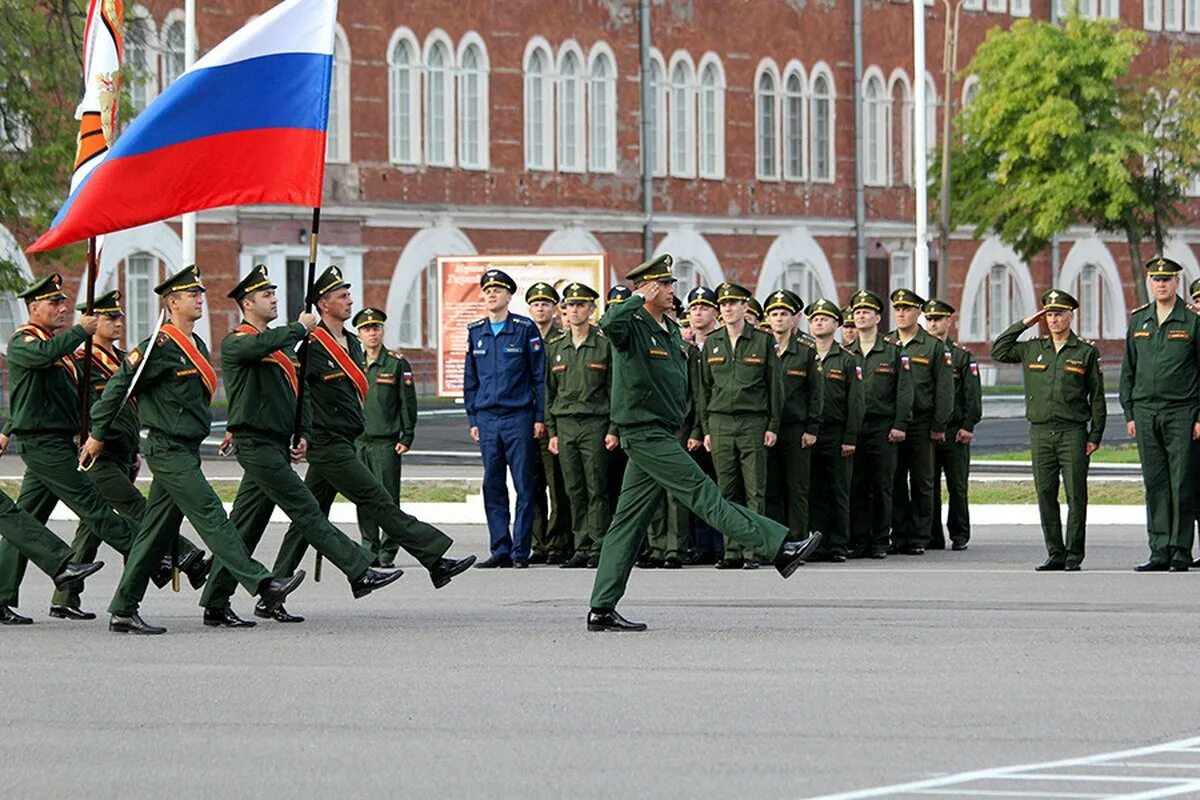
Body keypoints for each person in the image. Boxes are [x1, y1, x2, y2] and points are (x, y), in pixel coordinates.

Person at [587, 254, 820, 632]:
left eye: (668, 283)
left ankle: (601, 608)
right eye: (662, 284)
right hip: (644, 433)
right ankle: (780, 549)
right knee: (705, 495)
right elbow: (608, 321)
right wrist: (635, 297)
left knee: (626, 524)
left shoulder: (666, 329)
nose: (669, 289)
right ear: (646, 287)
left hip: (660, 432)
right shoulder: (632, 324)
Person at [81, 265, 307, 634]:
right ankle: (263, 583)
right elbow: (119, 388)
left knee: (153, 534)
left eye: (200, 293)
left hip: (186, 448)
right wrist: (98, 434)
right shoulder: (157, 346)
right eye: (192, 295)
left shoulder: (197, 345)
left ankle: (124, 608)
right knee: (210, 512)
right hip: (166, 448)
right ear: (172, 303)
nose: (200, 299)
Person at [199, 267, 404, 628]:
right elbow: (258, 349)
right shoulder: (239, 341)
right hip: (257, 445)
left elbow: (292, 395)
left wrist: (300, 432)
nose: (274, 298)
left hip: (276, 444)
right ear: (247, 303)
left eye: (275, 292)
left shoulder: (281, 349)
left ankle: (216, 602)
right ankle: (359, 570)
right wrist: (300, 327)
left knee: (244, 527)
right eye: (266, 295)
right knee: (307, 509)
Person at [268, 266, 476, 597]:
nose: (350, 301)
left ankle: (273, 588)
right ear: (323, 304)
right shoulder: (311, 345)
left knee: (308, 517)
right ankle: (435, 559)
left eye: (349, 294)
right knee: (376, 498)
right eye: (342, 296)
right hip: (326, 441)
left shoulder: (351, 343)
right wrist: (301, 434)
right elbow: (298, 395)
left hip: (345, 439)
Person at [56, 290, 210, 619]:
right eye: (110, 317)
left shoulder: (126, 358)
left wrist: (134, 449)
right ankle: (184, 555)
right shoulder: (80, 361)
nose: (118, 322)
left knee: (92, 525)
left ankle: (64, 598)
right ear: (92, 321)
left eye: (120, 316)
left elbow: (133, 405)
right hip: (93, 451)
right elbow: (66, 402)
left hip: (124, 451)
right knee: (136, 507)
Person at [0, 275, 146, 621]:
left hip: (57, 440)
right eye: (54, 303)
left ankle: (2, 593)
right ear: (34, 307)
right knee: (93, 505)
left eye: (64, 302)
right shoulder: (24, 342)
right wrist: (82, 330)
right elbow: (40, 361)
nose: (63, 308)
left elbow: (42, 397)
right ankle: (157, 554)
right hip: (43, 443)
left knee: (25, 520)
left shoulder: (58, 349)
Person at [993, 289, 1105, 571]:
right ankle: (1055, 553)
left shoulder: (1085, 352)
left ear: (1071, 316)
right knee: (1045, 493)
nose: (1054, 320)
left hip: (1073, 432)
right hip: (1041, 431)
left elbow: (1097, 397)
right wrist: (1026, 323)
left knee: (1076, 495)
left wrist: (1095, 435)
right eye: (1050, 314)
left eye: (1059, 314)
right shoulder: (1033, 348)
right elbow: (999, 349)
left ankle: (1073, 555)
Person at [1119, 257, 1200, 572]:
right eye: (1156, 279)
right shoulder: (1139, 321)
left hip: (1181, 411)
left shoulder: (1192, 321)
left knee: (1181, 482)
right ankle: (1159, 549)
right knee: (1154, 482)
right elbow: (1128, 370)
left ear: (1177, 282)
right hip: (1145, 411)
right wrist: (1129, 413)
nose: (1161, 284)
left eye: (1167, 279)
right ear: (1150, 282)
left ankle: (1180, 550)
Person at [463, 269, 545, 568]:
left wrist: (539, 416)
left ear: (509, 296)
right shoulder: (476, 331)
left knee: (524, 485)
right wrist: (473, 417)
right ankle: (500, 548)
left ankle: (521, 550)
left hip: (518, 416)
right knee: (492, 484)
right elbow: (470, 379)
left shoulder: (525, 328)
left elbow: (539, 377)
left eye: (498, 290)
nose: (492, 294)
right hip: (487, 418)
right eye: (487, 290)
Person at [699, 281, 783, 569]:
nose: (728, 308)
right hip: (720, 421)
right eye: (724, 304)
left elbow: (775, 386)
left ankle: (754, 550)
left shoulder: (761, 341)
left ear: (745, 307)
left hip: (753, 422)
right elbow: (704, 389)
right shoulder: (712, 342)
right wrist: (706, 428)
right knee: (726, 490)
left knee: (755, 491)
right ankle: (731, 550)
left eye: (734, 303)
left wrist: (773, 424)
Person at [547, 283, 617, 569]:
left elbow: (614, 390)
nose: (574, 310)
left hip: (595, 423)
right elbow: (548, 391)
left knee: (596, 487)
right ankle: (581, 544)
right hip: (565, 425)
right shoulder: (556, 348)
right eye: (570, 305)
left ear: (592, 310)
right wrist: (551, 431)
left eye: (580, 305)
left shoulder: (604, 345)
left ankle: (599, 545)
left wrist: (614, 428)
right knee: (574, 488)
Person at [847, 290, 913, 559]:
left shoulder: (893, 352)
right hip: (855, 428)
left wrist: (900, 424)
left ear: (877, 317)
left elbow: (904, 391)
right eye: (857, 312)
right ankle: (859, 539)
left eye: (866, 312)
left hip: (883, 427)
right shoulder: (847, 353)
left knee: (883, 485)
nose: (861, 316)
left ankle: (880, 540)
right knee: (857, 485)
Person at [886, 289, 952, 556]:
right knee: (895, 479)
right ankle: (899, 533)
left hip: (922, 423)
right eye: (898, 309)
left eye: (907, 309)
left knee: (923, 481)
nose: (901, 313)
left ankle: (920, 535)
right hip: (893, 423)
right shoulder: (887, 343)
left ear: (918, 313)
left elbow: (944, 390)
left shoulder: (933, 347)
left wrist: (939, 425)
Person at [352, 306, 417, 568]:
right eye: (367, 329)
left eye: (376, 328)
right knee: (362, 496)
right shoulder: (353, 362)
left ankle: (389, 548)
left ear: (382, 330)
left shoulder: (396, 363)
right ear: (359, 334)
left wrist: (407, 435)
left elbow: (407, 403)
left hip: (386, 441)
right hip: (358, 441)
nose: (372, 333)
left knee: (388, 497)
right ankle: (369, 545)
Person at [805, 298, 865, 562]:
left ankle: (839, 544)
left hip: (836, 433)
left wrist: (850, 436)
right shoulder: (805, 356)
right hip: (810, 433)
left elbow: (856, 402)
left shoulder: (847, 360)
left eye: (825, 318)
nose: (819, 322)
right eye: (814, 318)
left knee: (839, 490)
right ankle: (818, 543)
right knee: (813, 490)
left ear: (836, 325)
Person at [763, 289, 823, 543]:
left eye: (784, 314)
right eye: (774, 314)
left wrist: (812, 427)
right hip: (766, 428)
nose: (779, 319)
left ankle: (798, 538)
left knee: (797, 487)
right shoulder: (760, 347)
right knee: (770, 487)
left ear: (795, 318)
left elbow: (816, 393)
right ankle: (777, 541)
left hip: (795, 428)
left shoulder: (807, 351)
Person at [925, 299, 982, 551]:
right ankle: (932, 535)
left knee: (957, 486)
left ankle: (959, 534)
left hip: (955, 431)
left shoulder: (961, 355)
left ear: (949, 321)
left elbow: (972, 395)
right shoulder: (921, 354)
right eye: (929, 319)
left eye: (938, 319)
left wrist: (968, 425)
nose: (933, 323)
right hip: (928, 431)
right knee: (929, 485)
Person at [526, 282, 572, 564]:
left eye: (545, 304)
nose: (540, 308)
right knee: (531, 486)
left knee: (558, 486)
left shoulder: (560, 340)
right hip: (526, 421)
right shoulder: (522, 337)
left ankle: (558, 542)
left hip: (552, 422)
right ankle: (538, 542)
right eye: (535, 304)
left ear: (555, 309)